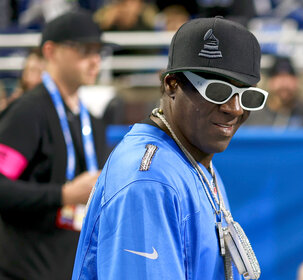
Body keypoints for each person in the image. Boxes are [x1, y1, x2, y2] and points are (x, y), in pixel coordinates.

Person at [72, 16, 266, 280]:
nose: (235, 108)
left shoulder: (194, 159)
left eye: (248, 96)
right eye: (218, 91)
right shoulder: (149, 182)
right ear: (172, 84)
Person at [0, 10, 108, 279]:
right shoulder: (28, 113)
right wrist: (63, 195)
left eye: (99, 52)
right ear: (51, 51)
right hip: (24, 270)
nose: (95, 61)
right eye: (84, 50)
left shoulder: (92, 122)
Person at [246, 55, 303, 127]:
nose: (284, 83)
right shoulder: (252, 116)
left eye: (289, 77)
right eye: (279, 77)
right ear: (269, 81)